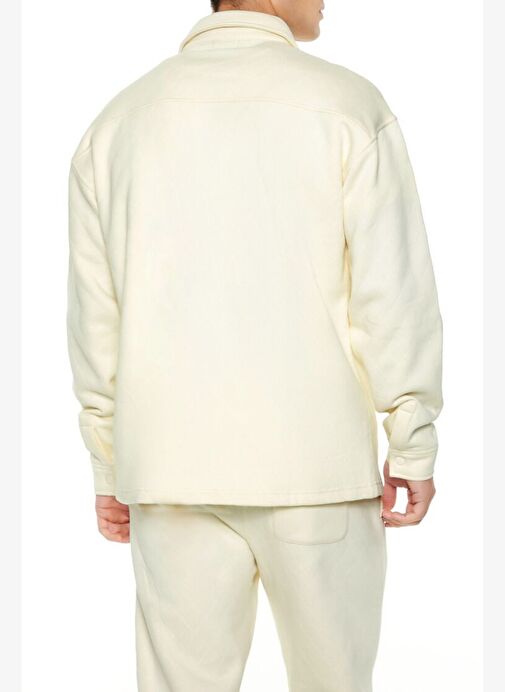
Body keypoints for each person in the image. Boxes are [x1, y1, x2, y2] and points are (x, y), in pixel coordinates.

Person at [66, 1, 444, 690]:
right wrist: (411, 438)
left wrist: (109, 463)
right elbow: (391, 293)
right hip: (316, 470)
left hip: (169, 470)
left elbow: (97, 321)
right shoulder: (347, 106)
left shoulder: (119, 122)